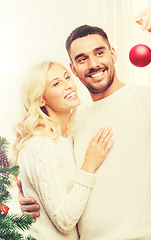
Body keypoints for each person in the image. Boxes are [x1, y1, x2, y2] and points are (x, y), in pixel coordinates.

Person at [18, 8, 151, 240]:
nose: (94, 64)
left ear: (113, 54)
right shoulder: (74, 122)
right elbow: (59, 185)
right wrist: (30, 200)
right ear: (74, 70)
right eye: (82, 59)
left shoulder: (144, 100)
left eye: (99, 53)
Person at [12, 61, 115, 239]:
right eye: (56, 83)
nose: (68, 85)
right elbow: (64, 221)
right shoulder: (41, 145)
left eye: (67, 77)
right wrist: (89, 165)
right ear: (41, 98)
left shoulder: (68, 138)